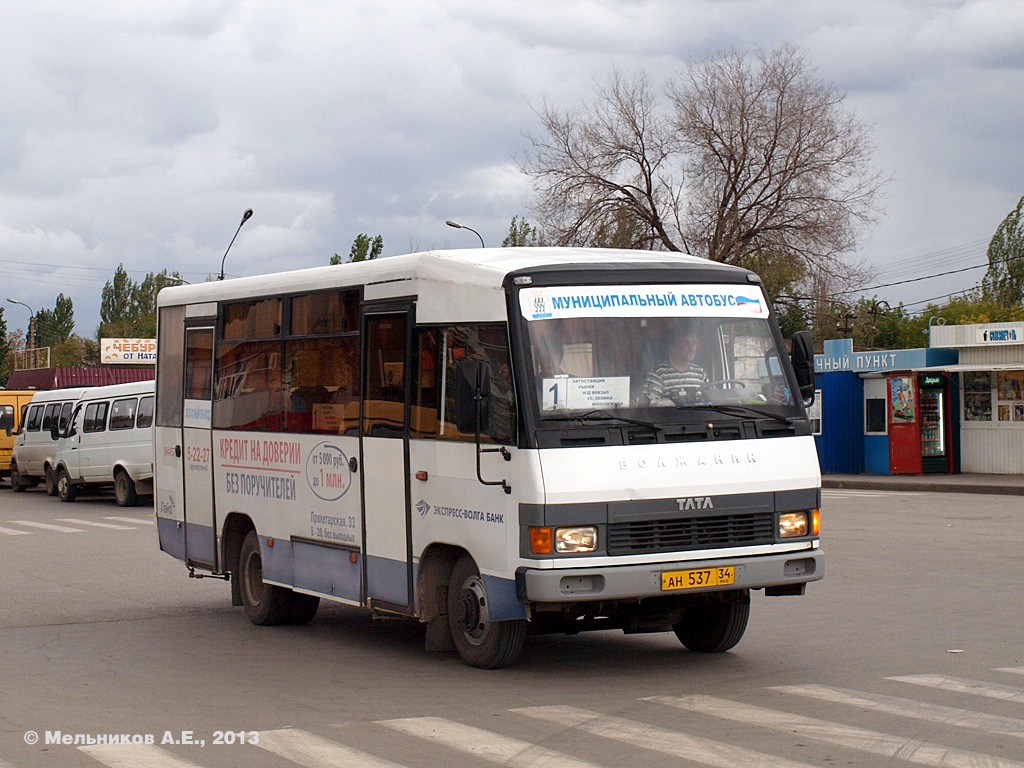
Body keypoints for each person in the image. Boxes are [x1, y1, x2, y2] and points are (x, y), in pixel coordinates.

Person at [642, 320, 707, 406]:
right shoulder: (658, 374)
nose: (692, 348)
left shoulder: (700, 373)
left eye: (694, 343)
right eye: (686, 343)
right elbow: (651, 406)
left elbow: (712, 401)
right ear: (673, 346)